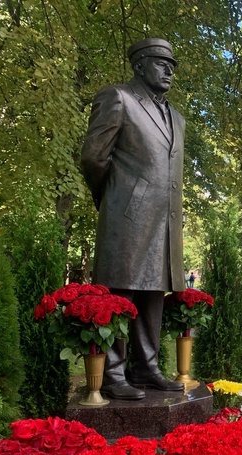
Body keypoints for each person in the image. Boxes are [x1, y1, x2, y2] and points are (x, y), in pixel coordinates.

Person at [80, 38, 186, 400]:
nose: (169, 69)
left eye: (172, 64)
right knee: (119, 289)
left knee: (153, 292)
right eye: (161, 62)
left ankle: (147, 368)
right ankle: (111, 373)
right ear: (139, 65)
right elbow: (93, 157)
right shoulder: (118, 98)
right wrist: (113, 199)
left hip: (165, 220)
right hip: (127, 214)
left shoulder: (177, 118)